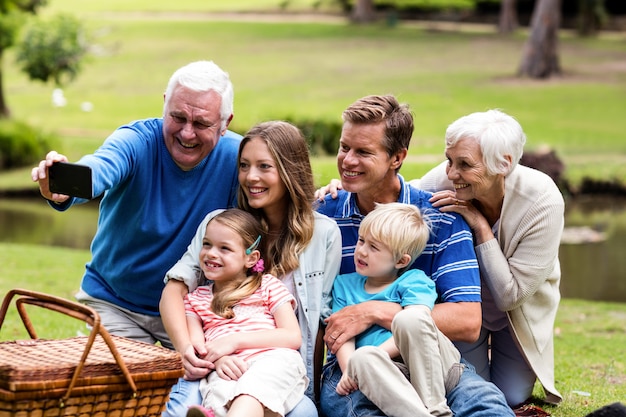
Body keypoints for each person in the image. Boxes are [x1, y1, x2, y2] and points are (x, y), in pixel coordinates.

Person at [316, 94, 515, 417]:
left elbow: (467, 320)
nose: (348, 161)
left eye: (363, 151)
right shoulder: (324, 217)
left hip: (432, 357)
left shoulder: (441, 218)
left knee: (488, 407)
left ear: (397, 157)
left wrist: (372, 312)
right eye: (344, 147)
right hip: (350, 368)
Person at [30, 60, 240, 349]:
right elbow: (101, 167)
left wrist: (324, 195)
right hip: (116, 302)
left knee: (198, 388)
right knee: (119, 386)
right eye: (178, 117)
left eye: (202, 123)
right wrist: (63, 185)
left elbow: (280, 194)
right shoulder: (137, 140)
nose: (187, 133)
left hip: (192, 310)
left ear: (225, 122)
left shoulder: (239, 158)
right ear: (165, 104)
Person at [160, 121, 342, 416]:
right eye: (244, 166)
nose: (251, 177)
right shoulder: (219, 225)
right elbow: (175, 289)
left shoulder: (323, 234)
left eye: (264, 167)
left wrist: (316, 394)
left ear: (289, 171)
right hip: (215, 366)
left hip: (277, 368)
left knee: (304, 413)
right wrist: (188, 351)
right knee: (183, 409)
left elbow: (318, 323)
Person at [411, 109, 564, 407]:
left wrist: (479, 226)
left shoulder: (543, 201)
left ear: (503, 164)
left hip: (517, 313)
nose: (451, 173)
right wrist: (340, 190)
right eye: (449, 160)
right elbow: (399, 196)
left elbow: (511, 296)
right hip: (467, 310)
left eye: (465, 164)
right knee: (470, 388)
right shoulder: (444, 183)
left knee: (511, 396)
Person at [321, 202, 463, 417]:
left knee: (409, 318)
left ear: (401, 260)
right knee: (361, 357)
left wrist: (376, 356)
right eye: (361, 241)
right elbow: (342, 333)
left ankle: (437, 409)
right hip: (382, 373)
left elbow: (417, 328)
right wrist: (351, 369)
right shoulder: (344, 284)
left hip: (426, 365)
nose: (362, 251)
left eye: (374, 247)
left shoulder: (414, 281)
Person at [183, 209, 308, 417]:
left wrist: (234, 341)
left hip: (271, 360)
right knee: (218, 395)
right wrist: (218, 361)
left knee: (250, 394)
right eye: (207, 244)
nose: (211, 253)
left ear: (251, 258)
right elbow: (197, 348)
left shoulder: (267, 286)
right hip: (226, 369)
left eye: (225, 248)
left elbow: (292, 336)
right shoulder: (195, 299)